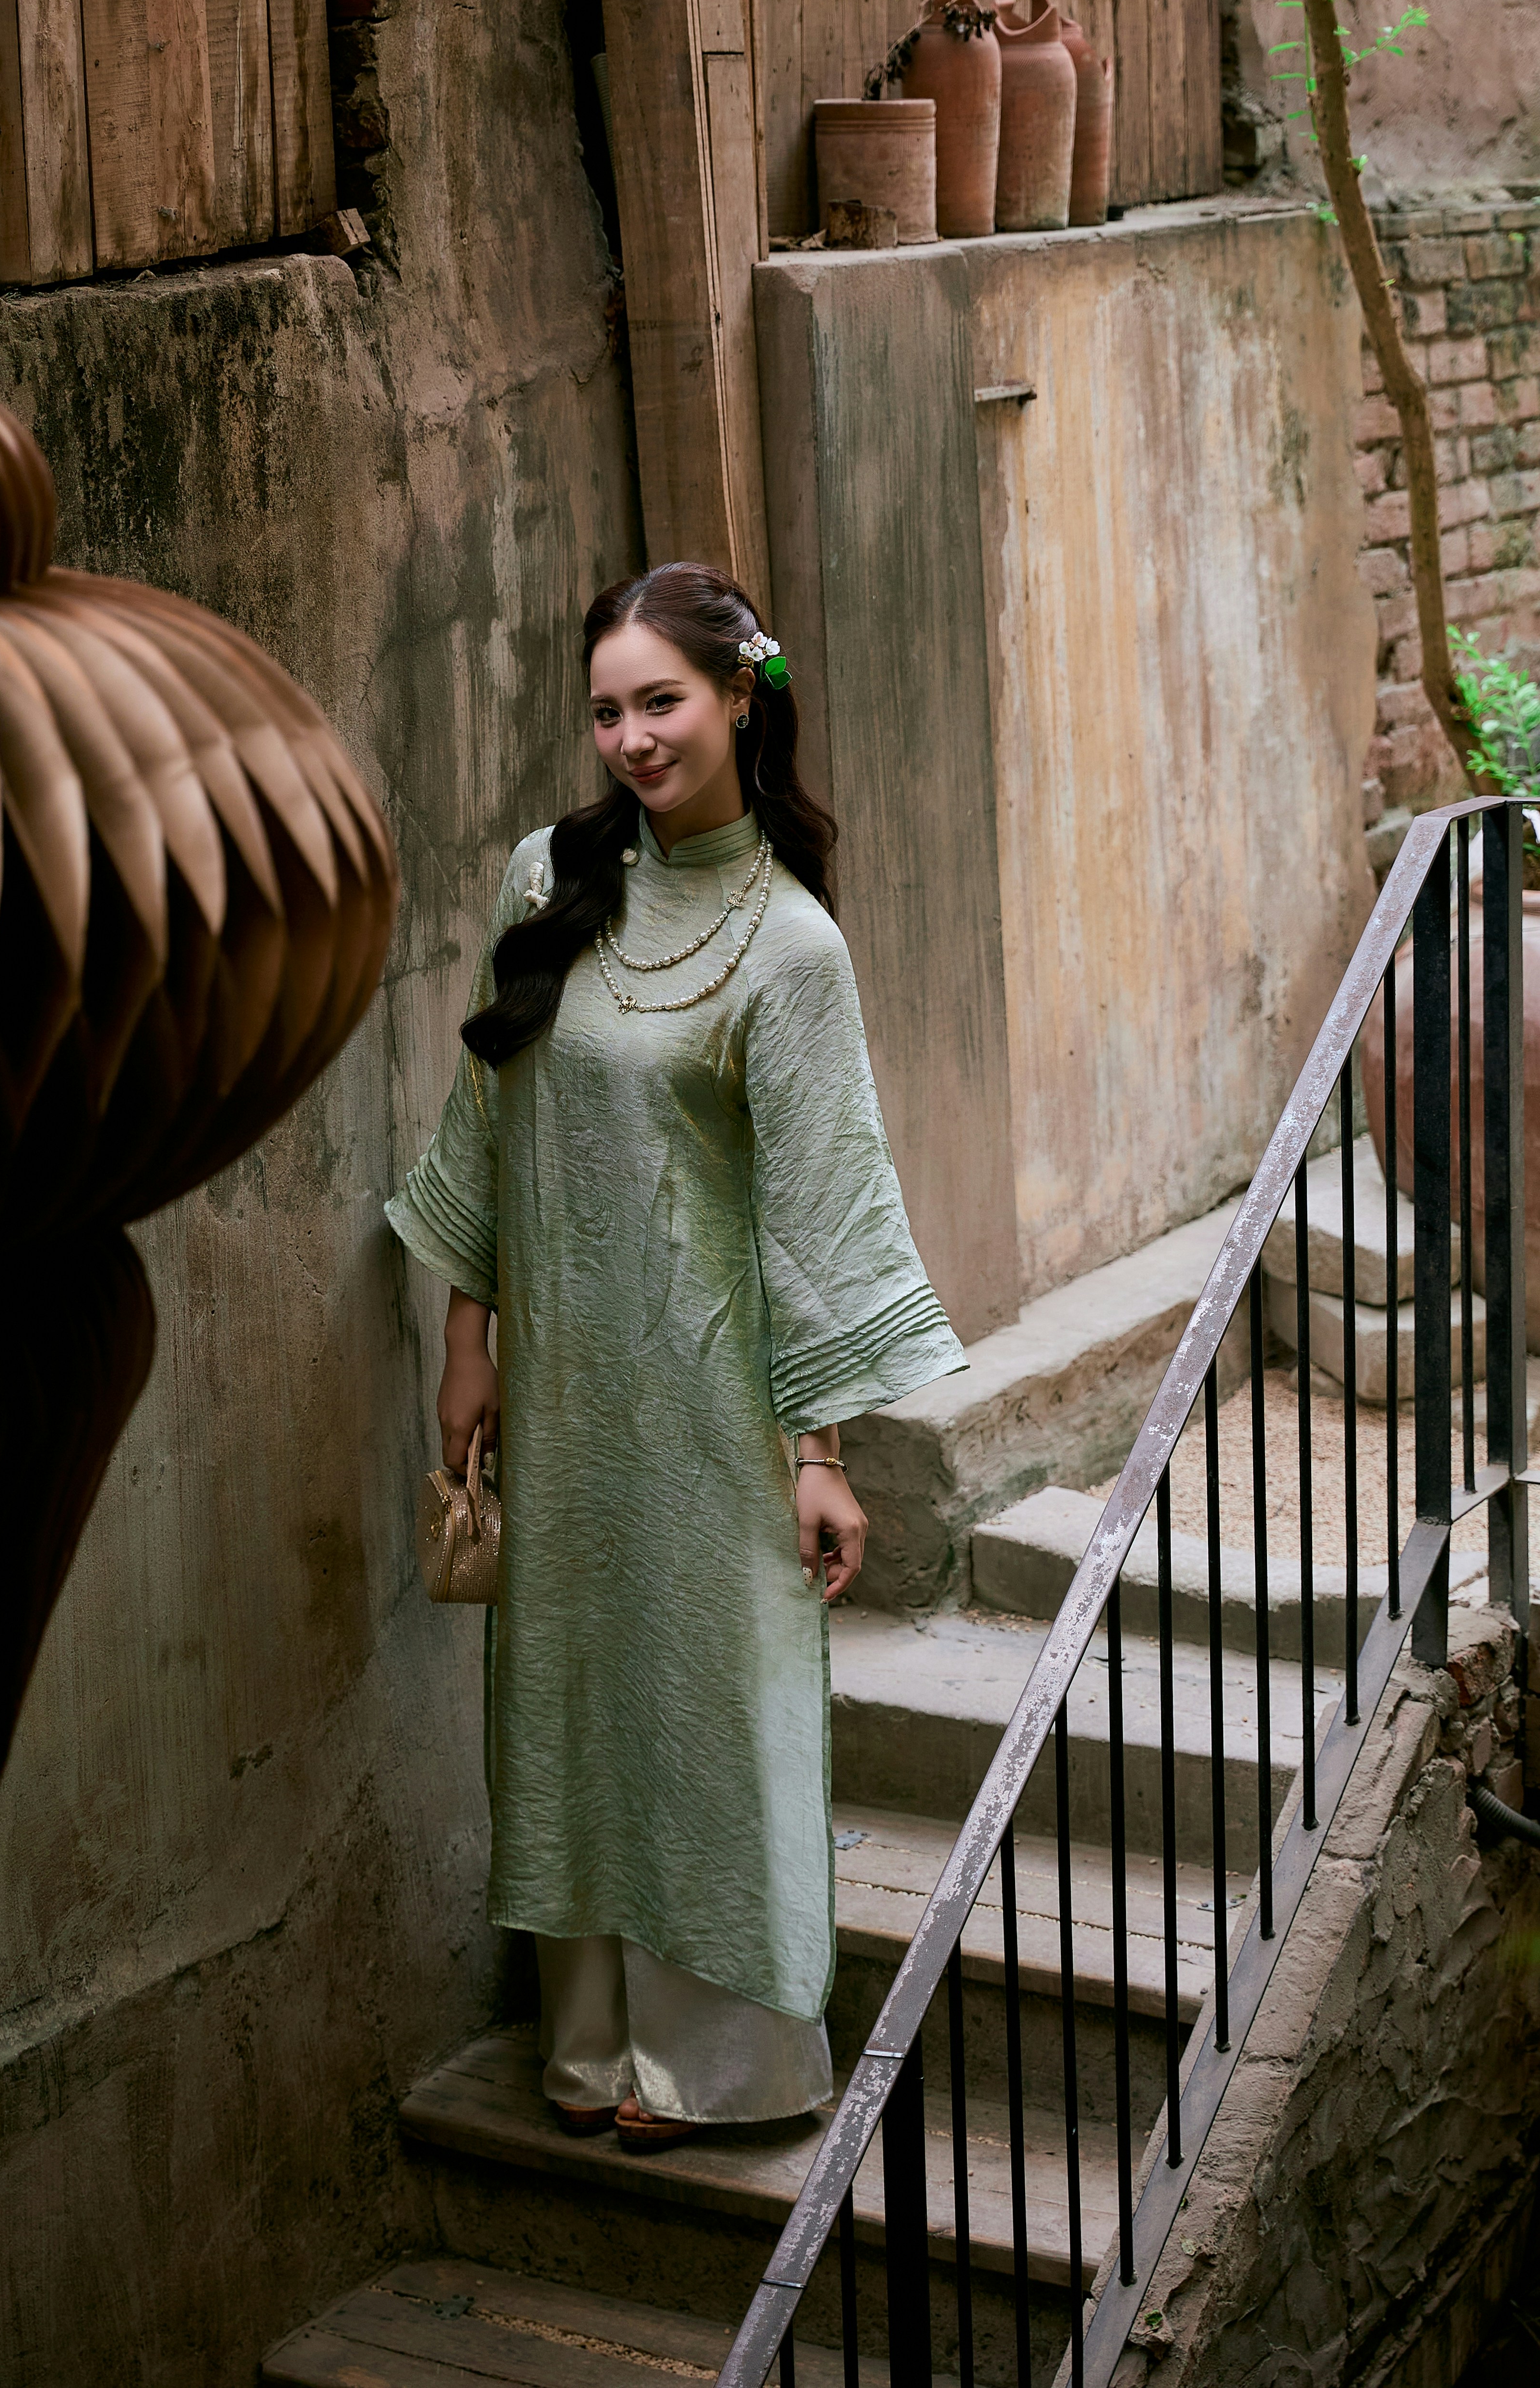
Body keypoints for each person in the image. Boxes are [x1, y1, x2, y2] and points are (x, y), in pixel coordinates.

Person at [387, 562, 967, 2150]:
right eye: (609, 709)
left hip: (714, 1416)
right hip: (568, 1408)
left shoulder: (791, 950)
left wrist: (822, 1452)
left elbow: (819, 1205)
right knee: (569, 1706)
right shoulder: (548, 879)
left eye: (664, 702)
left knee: (718, 1720)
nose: (634, 738)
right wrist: (468, 1340)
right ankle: (589, 2055)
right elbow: (485, 1121)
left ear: (738, 702)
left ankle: (720, 2072)